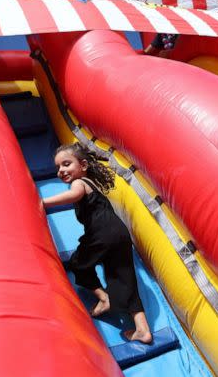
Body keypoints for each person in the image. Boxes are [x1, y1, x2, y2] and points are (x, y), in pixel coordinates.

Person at [42, 142, 153, 344]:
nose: (61, 170)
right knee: (124, 278)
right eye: (58, 167)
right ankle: (142, 330)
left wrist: (42, 202)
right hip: (119, 234)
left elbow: (73, 195)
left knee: (78, 263)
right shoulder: (92, 184)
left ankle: (104, 298)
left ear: (83, 165)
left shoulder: (79, 183)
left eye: (66, 164)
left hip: (102, 234)